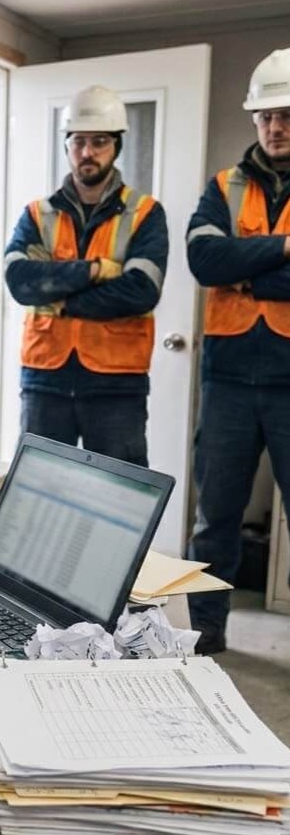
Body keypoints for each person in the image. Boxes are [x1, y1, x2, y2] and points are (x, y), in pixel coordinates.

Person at [185, 48, 290, 656]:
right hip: (227, 380)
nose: (275, 128)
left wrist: (247, 271)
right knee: (215, 518)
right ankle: (207, 633)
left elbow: (228, 262)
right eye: (265, 117)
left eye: (286, 116)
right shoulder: (223, 187)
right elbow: (205, 261)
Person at [4, 84, 169, 466]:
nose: (87, 153)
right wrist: (95, 270)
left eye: (99, 142)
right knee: (37, 491)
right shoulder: (37, 214)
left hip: (116, 381)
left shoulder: (145, 213)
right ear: (67, 146)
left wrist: (58, 297)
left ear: (116, 146)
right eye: (78, 141)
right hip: (45, 378)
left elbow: (140, 291)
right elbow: (20, 282)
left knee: (119, 494)